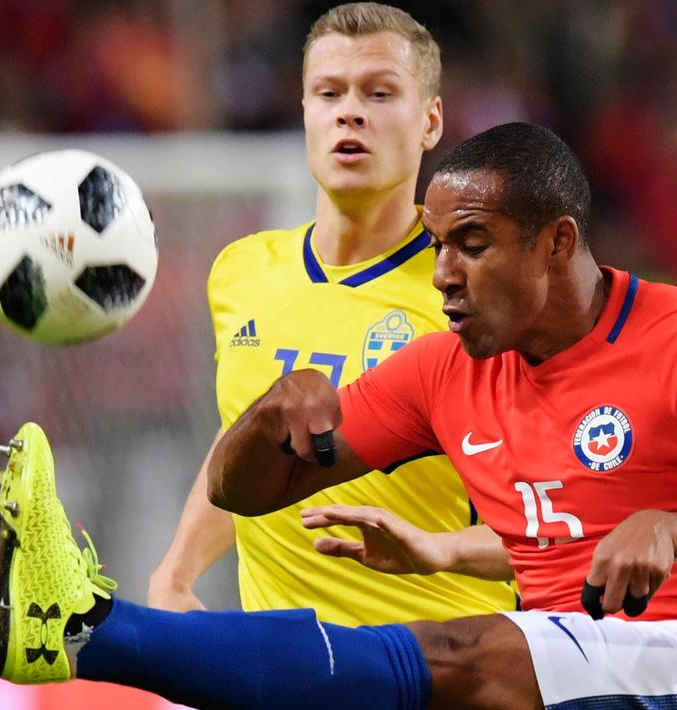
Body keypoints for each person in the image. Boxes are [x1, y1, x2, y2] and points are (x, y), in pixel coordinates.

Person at [0, 122, 677, 710]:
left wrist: (675, 533)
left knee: (454, 656)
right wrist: (268, 419)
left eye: (472, 243)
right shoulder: (442, 370)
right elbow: (248, 492)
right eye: (435, 247)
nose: (443, 275)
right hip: (571, 669)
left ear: (557, 244)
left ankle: (88, 631)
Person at [146, 2, 517, 624]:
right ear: (306, 115)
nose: (350, 111)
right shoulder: (242, 272)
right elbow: (247, 433)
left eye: (379, 92)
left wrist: (440, 551)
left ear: (430, 122)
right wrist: (177, 571)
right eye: (329, 93)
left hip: (440, 672)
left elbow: (564, 520)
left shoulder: (482, 296)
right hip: (284, 673)